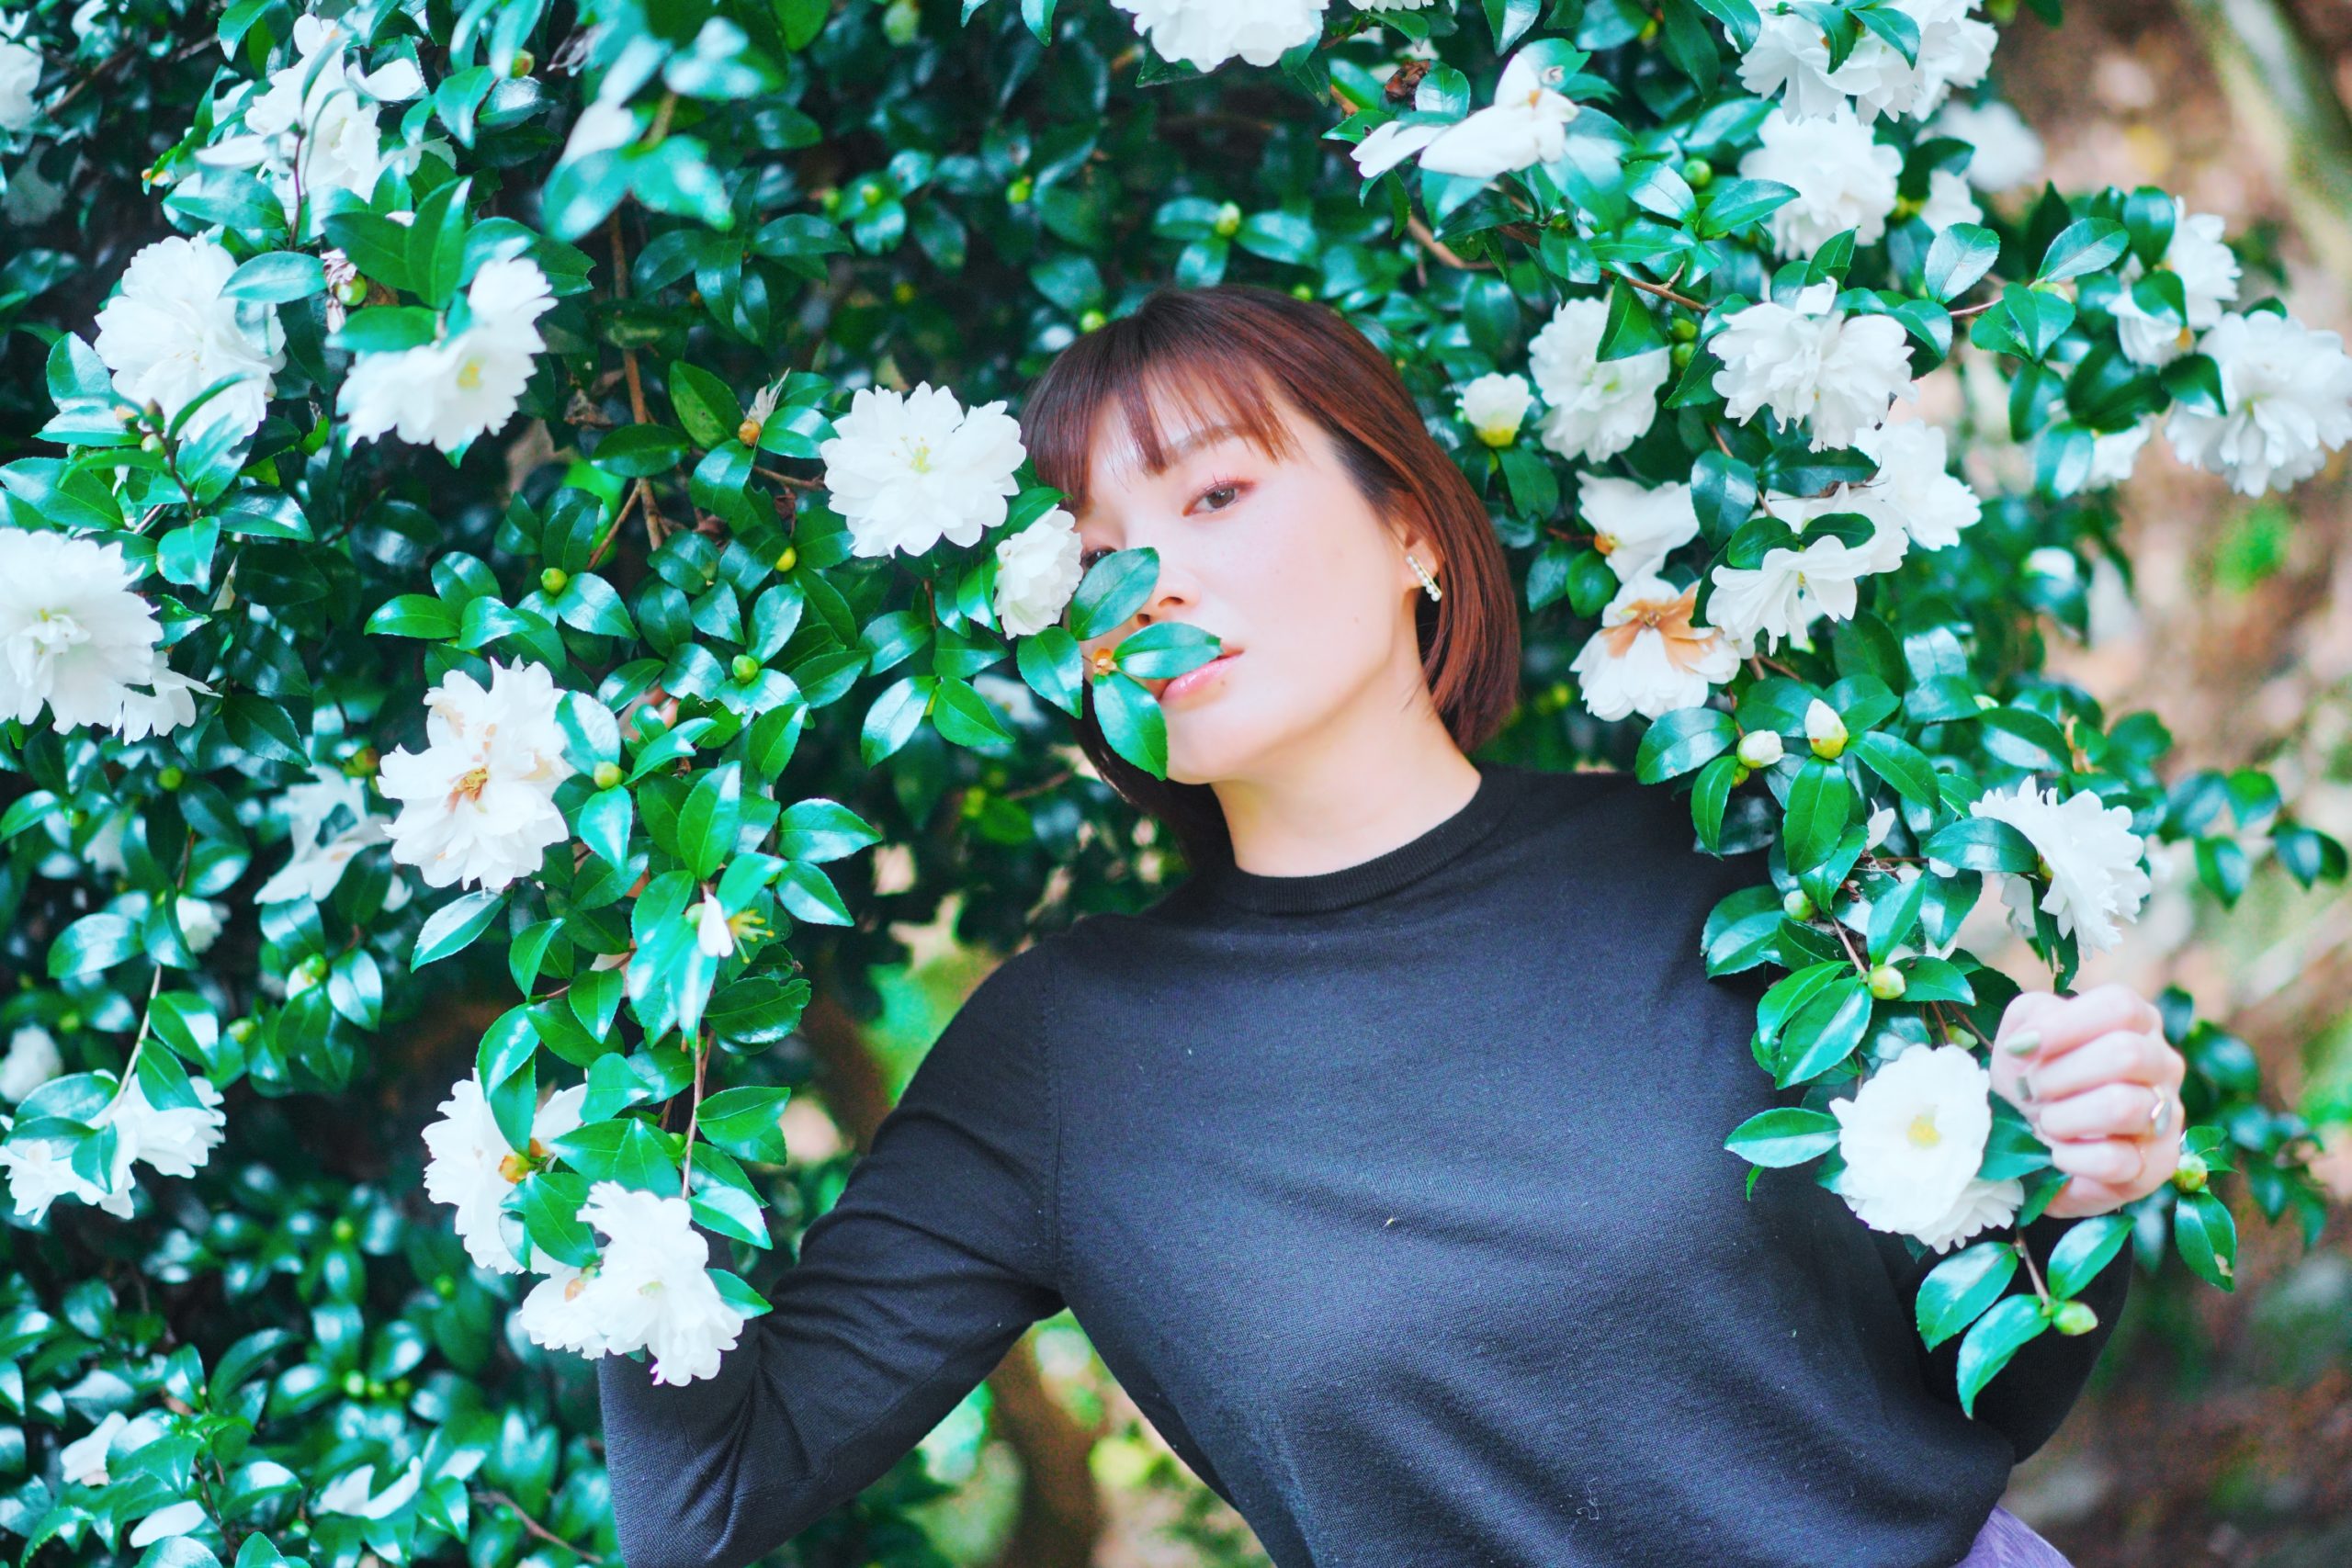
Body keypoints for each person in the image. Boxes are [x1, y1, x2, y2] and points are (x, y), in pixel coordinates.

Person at [597, 284, 2188, 1568]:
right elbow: (702, 1506)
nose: (1149, 582)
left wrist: (2078, 1184)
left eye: (1217, 493)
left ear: (1413, 527)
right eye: (1091, 559)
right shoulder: (1064, 1065)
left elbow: (1979, 1398)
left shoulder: (1715, 866)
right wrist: (617, 1068)